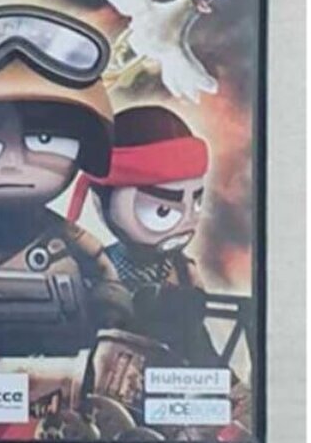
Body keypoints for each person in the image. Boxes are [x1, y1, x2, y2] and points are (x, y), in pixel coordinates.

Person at [0, 5, 132, 361]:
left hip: (64, 378)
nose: (13, 164)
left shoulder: (69, 238)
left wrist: (111, 308)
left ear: (88, 146)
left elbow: (105, 275)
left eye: (44, 140)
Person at [72, 104, 217, 367]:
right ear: (99, 202)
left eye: (196, 203)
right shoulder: (98, 266)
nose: (187, 219)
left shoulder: (183, 269)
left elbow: (199, 344)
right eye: (162, 210)